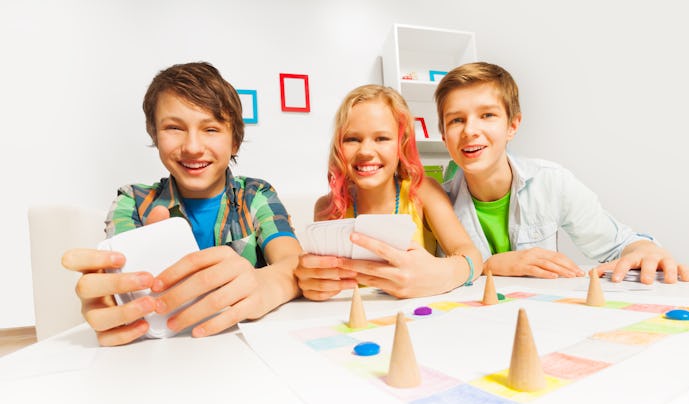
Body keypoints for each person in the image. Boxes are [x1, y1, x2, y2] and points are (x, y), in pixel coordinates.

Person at [62, 62, 302, 346]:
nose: (192, 147)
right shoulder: (133, 202)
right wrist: (113, 298)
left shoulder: (255, 195)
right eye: (174, 128)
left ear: (235, 141)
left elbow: (294, 263)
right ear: (155, 134)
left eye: (211, 129)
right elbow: (121, 287)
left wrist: (264, 286)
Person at [434, 62, 689, 285]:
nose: (470, 130)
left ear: (512, 126)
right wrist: (491, 265)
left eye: (487, 115)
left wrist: (645, 250)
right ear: (444, 136)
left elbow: (619, 243)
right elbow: (427, 275)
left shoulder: (551, 182)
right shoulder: (435, 203)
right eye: (456, 120)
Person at [294, 84, 482, 300]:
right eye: (352, 139)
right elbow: (321, 283)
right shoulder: (327, 208)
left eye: (382, 138)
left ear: (401, 144)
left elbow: (472, 257)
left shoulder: (422, 192)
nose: (365, 151)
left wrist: (442, 274)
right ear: (339, 146)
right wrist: (311, 282)